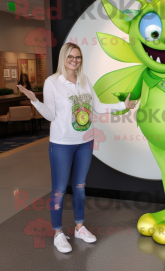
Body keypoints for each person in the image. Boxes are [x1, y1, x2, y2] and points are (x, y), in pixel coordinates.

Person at [17, 42, 136, 253]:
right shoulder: (53, 82)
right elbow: (51, 115)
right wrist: (35, 100)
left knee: (80, 186)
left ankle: (79, 227)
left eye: (78, 57)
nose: (75, 60)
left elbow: (97, 108)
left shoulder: (84, 80)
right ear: (64, 57)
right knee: (59, 190)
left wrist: (122, 106)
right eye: (71, 56)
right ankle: (58, 233)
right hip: (61, 144)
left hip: (85, 141)